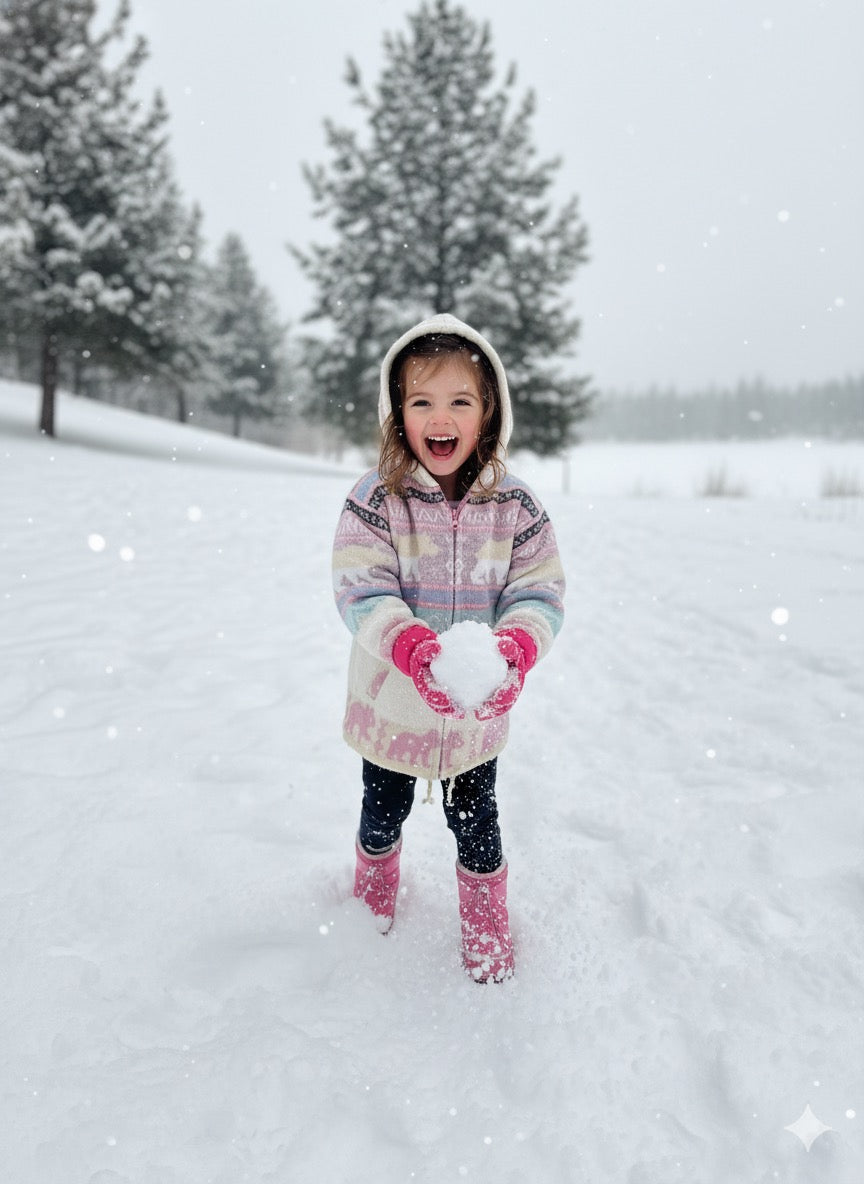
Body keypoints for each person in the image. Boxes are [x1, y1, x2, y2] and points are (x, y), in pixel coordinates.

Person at [332, 313, 565, 982]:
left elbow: (539, 592)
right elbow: (360, 587)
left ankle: (487, 934)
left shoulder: (516, 507)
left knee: (479, 823)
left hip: (475, 716)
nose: (442, 416)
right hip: (395, 708)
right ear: (396, 411)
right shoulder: (376, 500)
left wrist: (516, 650)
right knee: (383, 811)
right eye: (422, 400)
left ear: (487, 410)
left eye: (460, 400)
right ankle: (370, 904)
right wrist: (409, 646)